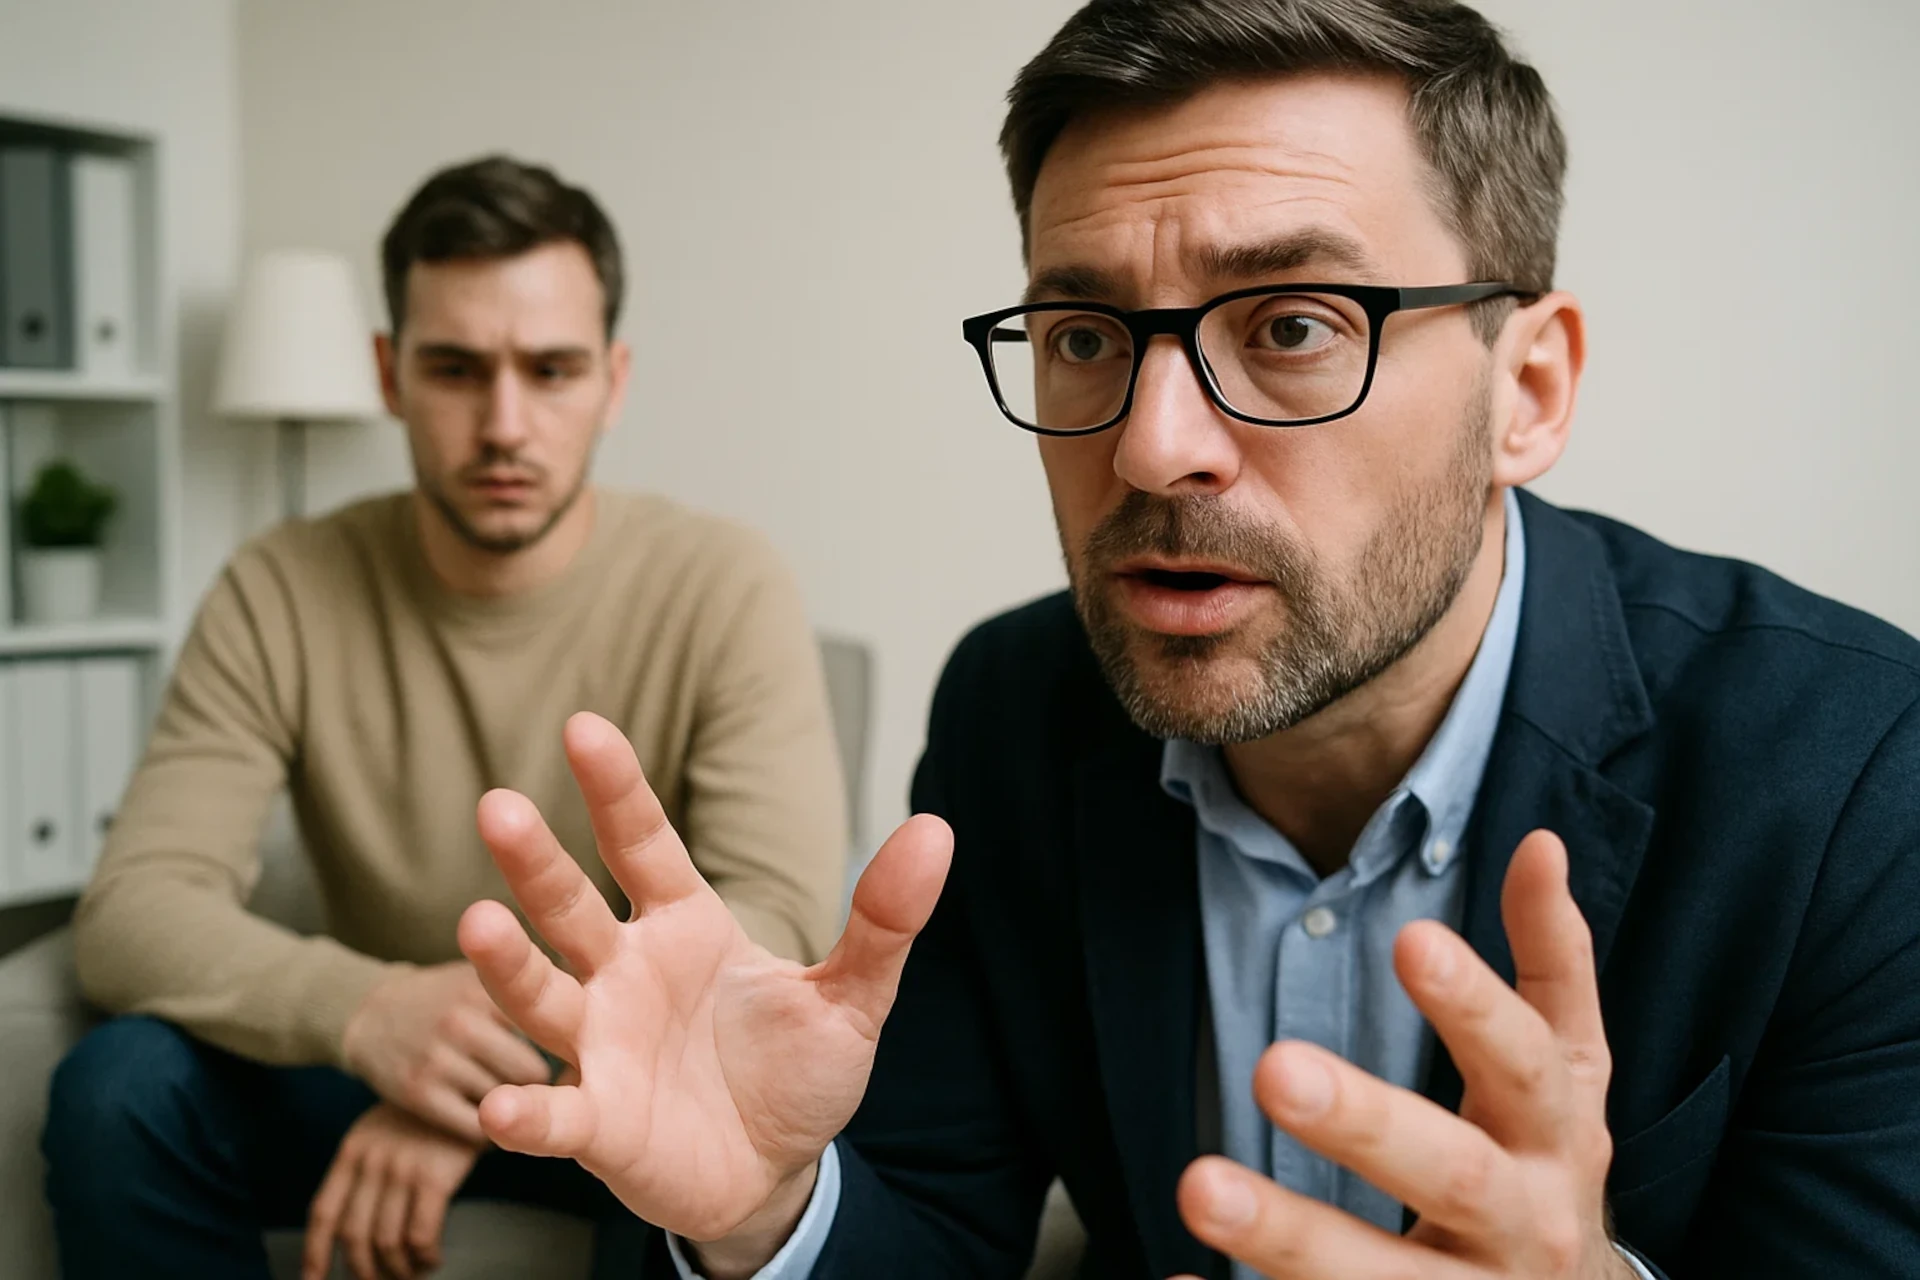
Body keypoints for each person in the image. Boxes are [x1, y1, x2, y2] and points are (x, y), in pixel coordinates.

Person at [459, 3, 1920, 1278]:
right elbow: (939, 1235)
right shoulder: (1016, 710)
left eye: (1290, 326)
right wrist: (767, 1215)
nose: (1155, 448)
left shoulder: (1858, 780)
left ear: (1526, 390)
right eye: (1086, 337)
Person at [41, 155, 849, 1280]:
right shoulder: (279, 586)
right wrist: (368, 1011)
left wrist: (488, 1084)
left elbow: (776, 921)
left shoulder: (723, 583)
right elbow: (133, 909)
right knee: (117, 1088)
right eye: (457, 369)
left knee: (703, 1144)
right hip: (375, 1053)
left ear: (612, 381)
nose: (504, 424)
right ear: (389, 374)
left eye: (551, 370)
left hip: (625, 1071)